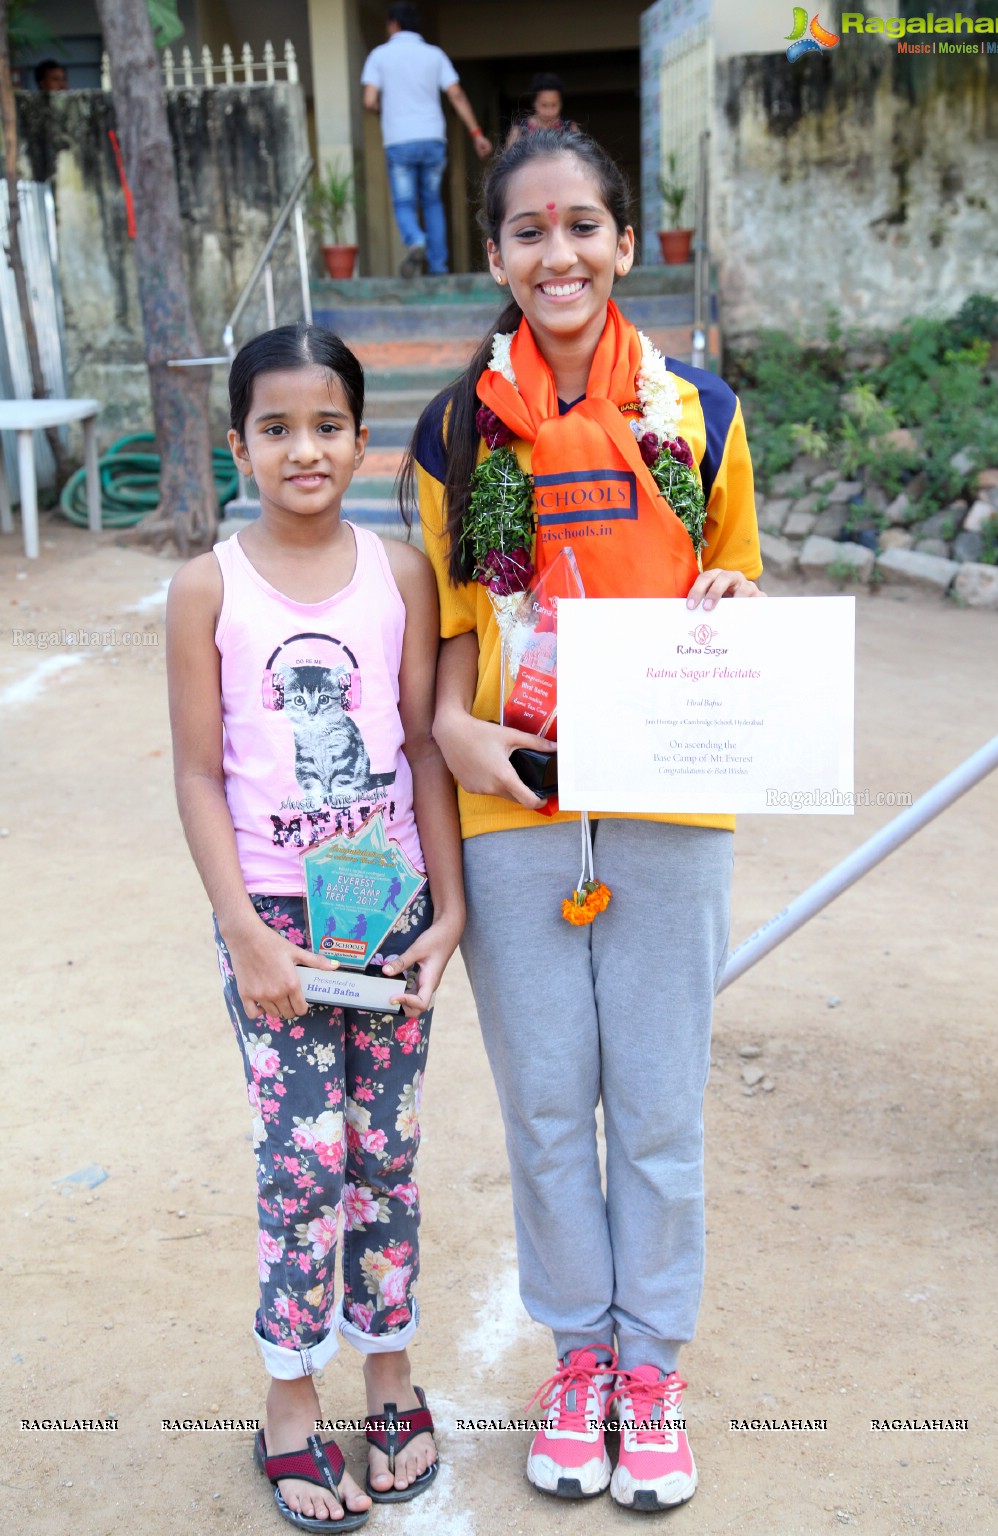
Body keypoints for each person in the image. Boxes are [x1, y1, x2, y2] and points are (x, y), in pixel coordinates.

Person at [402, 129, 763, 1512]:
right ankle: (579, 1362)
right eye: (530, 232)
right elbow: (444, 643)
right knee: (550, 1109)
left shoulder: (703, 415)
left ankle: (652, 1371)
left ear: (626, 242)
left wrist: (735, 606)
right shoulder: (452, 432)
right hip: (516, 813)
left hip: (671, 805)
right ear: (494, 256)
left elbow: (732, 578)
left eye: (585, 226)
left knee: (661, 1114)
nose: (560, 254)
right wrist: (457, 731)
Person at [167, 322, 464, 1531]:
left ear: (360, 435)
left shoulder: (399, 575)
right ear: (239, 443)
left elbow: (422, 753)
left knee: (383, 1159)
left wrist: (446, 910)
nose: (305, 448)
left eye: (327, 425)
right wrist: (240, 927)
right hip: (276, 926)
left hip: (385, 910)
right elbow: (197, 774)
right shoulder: (207, 589)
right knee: (303, 1164)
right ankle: (291, 1399)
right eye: (277, 427)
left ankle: (388, 1377)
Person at [361, 2, 492, 278]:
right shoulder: (435, 55)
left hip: (399, 140)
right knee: (432, 201)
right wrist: (476, 134)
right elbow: (456, 95)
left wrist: (384, 110)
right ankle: (438, 266)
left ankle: (415, 240)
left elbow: (369, 100)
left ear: (393, 24)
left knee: (405, 202)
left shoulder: (379, 55)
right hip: (433, 138)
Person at [505, 73, 578, 146]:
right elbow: (510, 155)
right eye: (544, 105)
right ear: (534, 103)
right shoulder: (520, 130)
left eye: (554, 105)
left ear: (561, 103)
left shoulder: (569, 128)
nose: (549, 111)